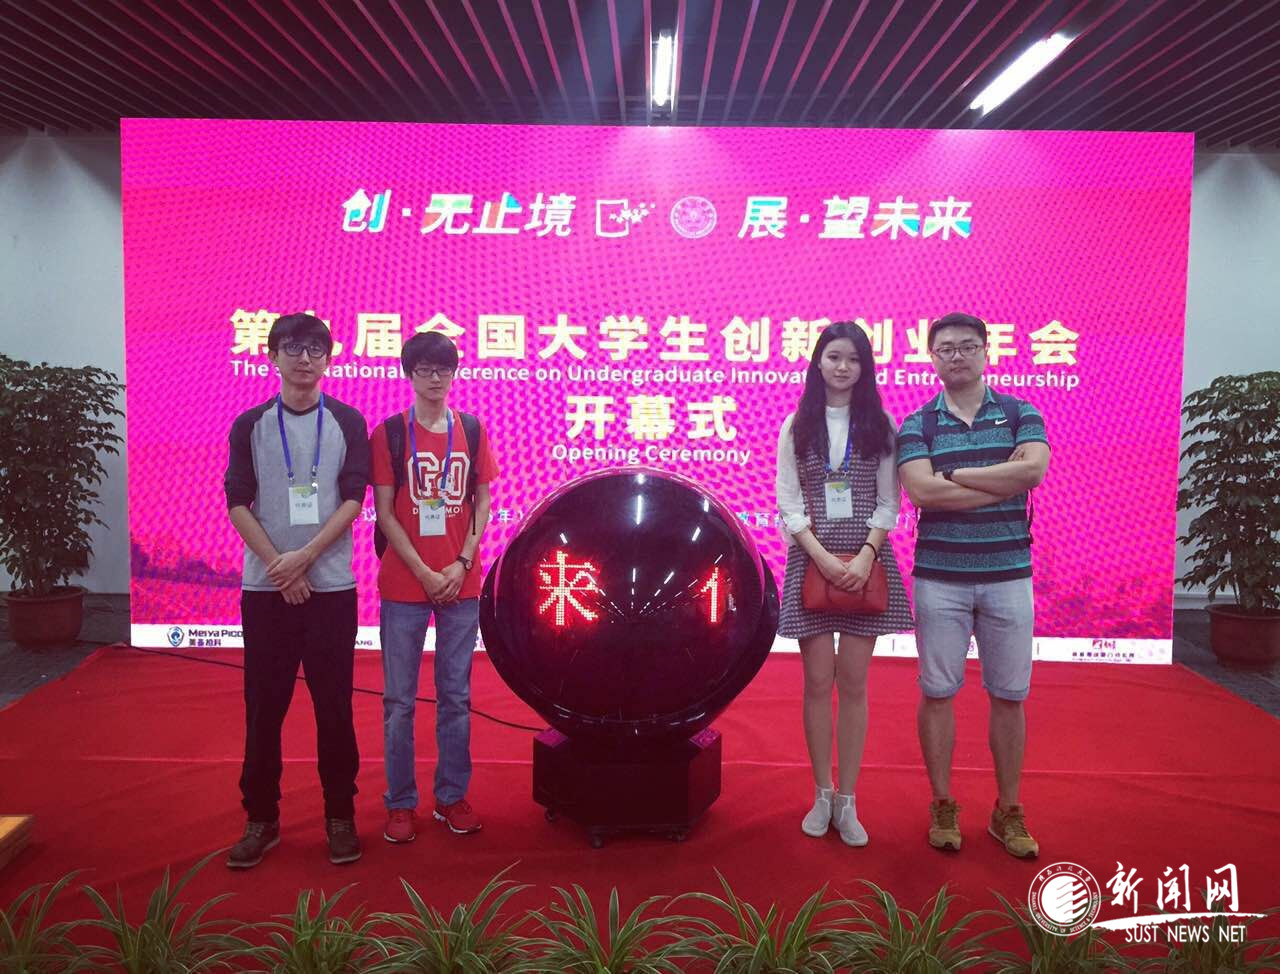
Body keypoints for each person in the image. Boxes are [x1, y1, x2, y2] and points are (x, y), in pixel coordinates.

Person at [896, 311, 1050, 859]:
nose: (956, 355)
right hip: (940, 578)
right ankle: (943, 802)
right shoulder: (917, 424)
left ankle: (1008, 809)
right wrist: (997, 480)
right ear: (931, 358)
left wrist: (954, 476)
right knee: (937, 691)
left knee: (1009, 694)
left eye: (966, 346)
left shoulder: (1020, 412)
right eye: (945, 348)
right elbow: (922, 493)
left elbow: (1032, 473)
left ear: (987, 351)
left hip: (1009, 576)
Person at [222, 313, 370, 869]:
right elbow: (237, 500)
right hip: (266, 591)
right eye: (292, 348)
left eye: (314, 349)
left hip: (330, 589)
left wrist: (304, 558)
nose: (304, 358)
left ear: (328, 358)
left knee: (334, 708)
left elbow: (353, 499)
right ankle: (261, 818)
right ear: (272, 356)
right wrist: (277, 565)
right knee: (264, 709)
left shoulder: (348, 421)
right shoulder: (250, 424)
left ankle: (340, 815)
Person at [775, 321, 913, 847]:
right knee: (816, 683)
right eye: (834, 357)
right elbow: (788, 501)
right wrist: (821, 557)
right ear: (818, 362)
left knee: (854, 684)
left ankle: (848, 799)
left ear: (865, 368)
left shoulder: (880, 424)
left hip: (865, 564)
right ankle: (821, 792)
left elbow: (889, 501)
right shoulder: (797, 425)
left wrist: (865, 556)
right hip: (811, 560)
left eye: (853, 359)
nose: (843, 367)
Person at [371, 332, 498, 844]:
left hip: (461, 584)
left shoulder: (472, 429)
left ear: (454, 374)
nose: (435, 377)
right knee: (399, 702)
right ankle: (401, 803)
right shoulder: (389, 433)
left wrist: (462, 563)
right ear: (409, 374)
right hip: (405, 584)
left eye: (443, 368)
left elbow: (482, 502)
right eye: (424, 368)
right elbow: (384, 512)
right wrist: (424, 572)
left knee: (456, 696)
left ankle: (450, 796)